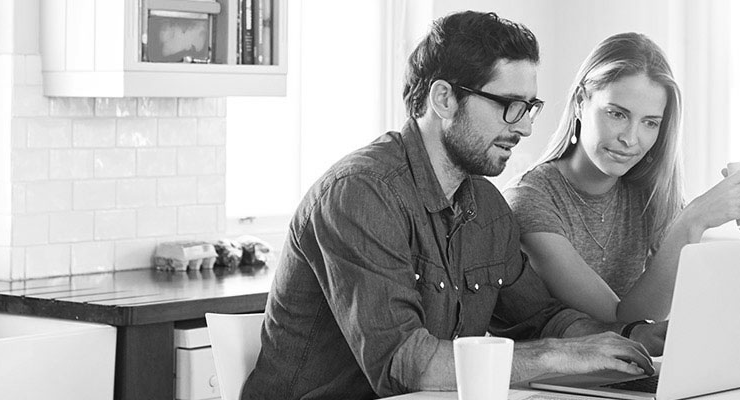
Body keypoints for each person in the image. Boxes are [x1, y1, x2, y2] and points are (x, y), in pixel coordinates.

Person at [242, 12, 655, 400]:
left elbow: (540, 318)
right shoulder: (359, 193)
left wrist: (634, 336)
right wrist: (556, 357)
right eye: (510, 106)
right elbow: (406, 364)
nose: (526, 127)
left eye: (530, 108)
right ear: (444, 99)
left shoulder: (488, 207)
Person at [503, 33, 740, 346]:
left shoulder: (645, 192)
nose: (630, 138)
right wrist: (693, 220)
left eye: (650, 123)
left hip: (626, 369)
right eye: (617, 114)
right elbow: (621, 318)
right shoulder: (531, 198)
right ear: (581, 102)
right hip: (553, 379)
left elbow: (704, 301)